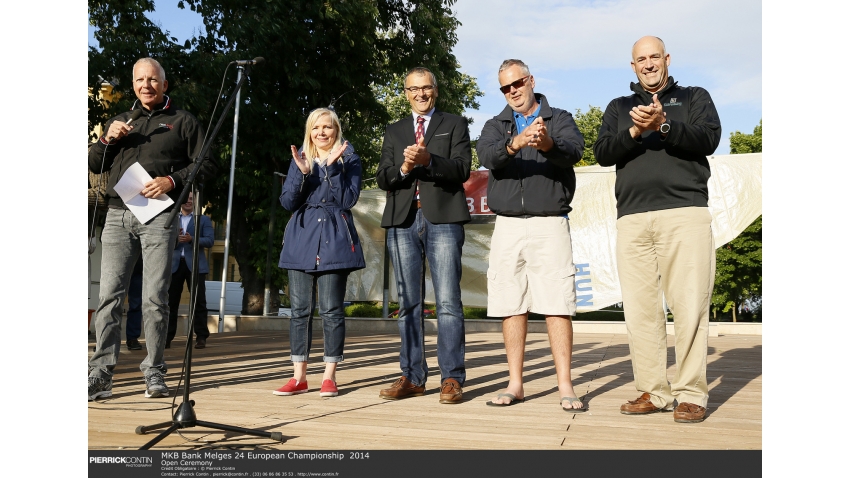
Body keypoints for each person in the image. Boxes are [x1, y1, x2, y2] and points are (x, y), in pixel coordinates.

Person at [593, 36, 721, 423]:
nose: (648, 64)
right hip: (632, 219)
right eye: (640, 59)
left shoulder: (695, 96)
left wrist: (663, 125)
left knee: (689, 306)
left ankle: (691, 393)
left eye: (654, 57)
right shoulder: (619, 107)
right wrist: (635, 132)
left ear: (667, 59)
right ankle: (653, 390)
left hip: (685, 214)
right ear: (632, 66)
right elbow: (602, 153)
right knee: (640, 311)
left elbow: (709, 139)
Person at [87, 58, 217, 401]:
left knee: (154, 298)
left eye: (153, 79)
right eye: (140, 80)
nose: (146, 85)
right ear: (133, 84)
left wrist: (171, 180)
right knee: (109, 297)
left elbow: (207, 163)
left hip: (160, 216)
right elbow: (92, 162)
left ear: (164, 83)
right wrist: (106, 140)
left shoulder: (183, 121)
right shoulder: (119, 120)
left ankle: (155, 372)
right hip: (117, 215)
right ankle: (100, 373)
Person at [476, 59, 586, 411]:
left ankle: (566, 386)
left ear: (531, 80)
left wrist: (547, 144)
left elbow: (575, 151)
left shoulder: (560, 118)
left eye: (517, 83)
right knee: (512, 304)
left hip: (550, 222)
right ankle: (516, 384)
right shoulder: (497, 124)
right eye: (505, 88)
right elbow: (486, 155)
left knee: (557, 304)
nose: (512, 91)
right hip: (507, 224)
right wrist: (515, 143)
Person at [376, 67, 472, 404]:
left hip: (443, 218)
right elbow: (382, 177)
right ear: (405, 93)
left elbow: (462, 169)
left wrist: (429, 159)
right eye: (413, 89)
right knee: (408, 304)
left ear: (435, 91)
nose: (420, 94)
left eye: (426, 88)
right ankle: (413, 377)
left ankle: (451, 379)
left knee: (447, 302)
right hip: (403, 221)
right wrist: (404, 168)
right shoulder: (395, 130)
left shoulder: (454, 123)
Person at [273, 108, 365, 398]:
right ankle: (298, 376)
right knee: (299, 311)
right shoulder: (300, 158)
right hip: (301, 238)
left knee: (331, 310)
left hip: (335, 238)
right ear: (309, 131)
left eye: (327, 127)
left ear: (336, 130)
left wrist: (333, 168)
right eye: (316, 128)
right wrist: (302, 174)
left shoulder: (350, 159)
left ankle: (329, 376)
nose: (321, 133)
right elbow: (288, 202)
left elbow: (348, 199)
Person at [167, 191, 215, 350]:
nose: (188, 201)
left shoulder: (203, 219)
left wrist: (191, 239)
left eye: (191, 199)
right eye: (185, 199)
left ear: (195, 201)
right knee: (170, 303)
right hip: (174, 265)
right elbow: (163, 240)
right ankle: (166, 337)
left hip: (195, 265)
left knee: (198, 302)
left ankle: (201, 336)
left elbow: (209, 241)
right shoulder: (172, 218)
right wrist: (175, 239)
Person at [125, 258, 143, 351]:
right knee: (111, 301)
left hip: (138, 264)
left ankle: (132, 338)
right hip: (117, 258)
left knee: (136, 304)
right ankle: (105, 341)